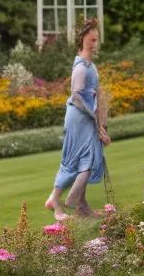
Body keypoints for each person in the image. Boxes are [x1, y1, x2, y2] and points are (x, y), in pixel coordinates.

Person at [45, 18, 110, 220]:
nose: (95, 44)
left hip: (87, 117)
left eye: (97, 40)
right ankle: (61, 200)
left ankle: (80, 207)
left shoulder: (91, 66)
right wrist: (93, 116)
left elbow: (97, 93)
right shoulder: (81, 67)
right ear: (83, 39)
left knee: (86, 158)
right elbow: (77, 96)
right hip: (79, 117)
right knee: (79, 159)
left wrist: (101, 120)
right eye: (92, 40)